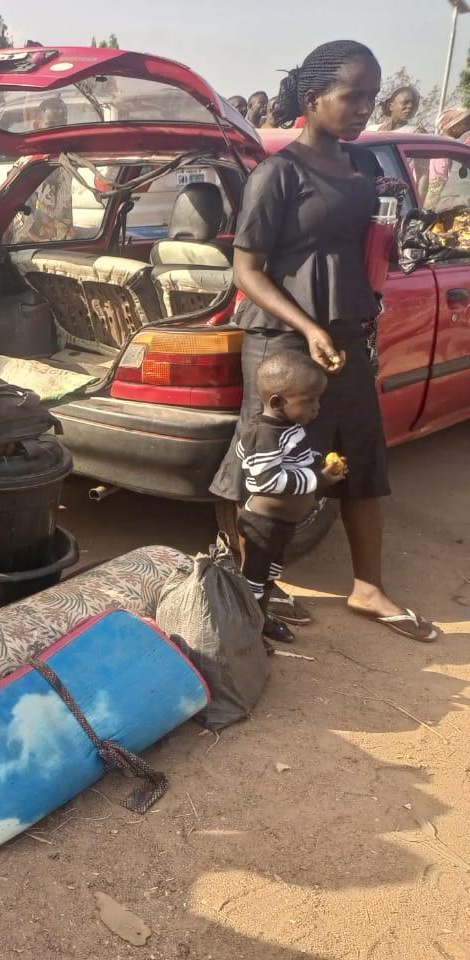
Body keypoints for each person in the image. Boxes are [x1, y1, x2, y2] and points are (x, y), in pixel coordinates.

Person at [210, 39, 439, 643]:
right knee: (274, 472)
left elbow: (358, 251)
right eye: (353, 95)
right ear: (313, 100)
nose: (366, 107)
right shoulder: (278, 173)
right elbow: (248, 271)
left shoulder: (363, 168)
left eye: (372, 96)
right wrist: (309, 327)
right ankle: (255, 591)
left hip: (347, 338)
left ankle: (368, 588)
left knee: (363, 461)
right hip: (285, 347)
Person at [234, 352, 346, 643]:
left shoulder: (289, 428)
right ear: (277, 402)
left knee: (270, 575)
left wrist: (319, 462)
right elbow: (267, 480)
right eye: (309, 401)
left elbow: (296, 460)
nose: (317, 408)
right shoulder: (265, 434)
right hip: (262, 524)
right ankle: (249, 631)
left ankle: (261, 618)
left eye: (317, 400)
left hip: (283, 524)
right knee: (254, 581)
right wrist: (318, 479)